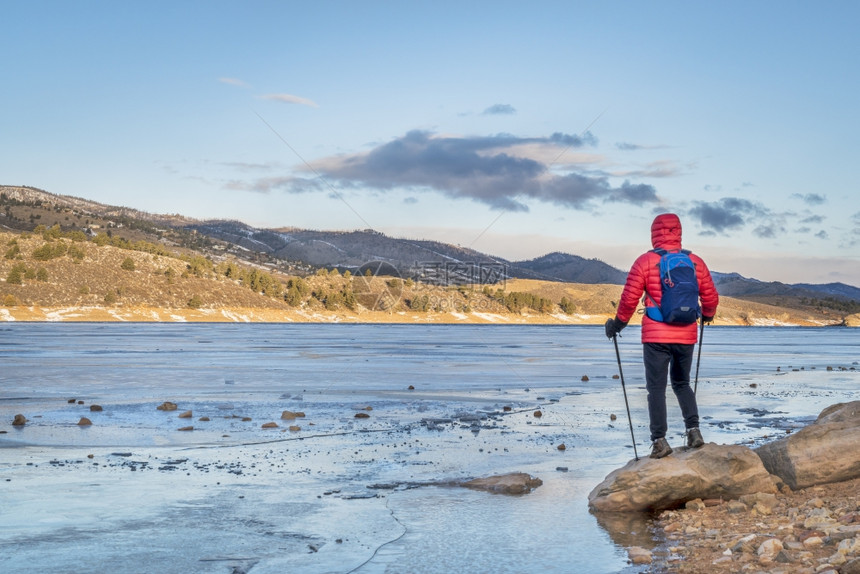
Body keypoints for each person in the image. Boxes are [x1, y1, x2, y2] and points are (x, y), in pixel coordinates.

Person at [604, 213, 719, 459]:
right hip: (686, 335)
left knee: (656, 388)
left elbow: (629, 298)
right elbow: (710, 296)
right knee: (682, 384)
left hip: (656, 336)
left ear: (654, 233)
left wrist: (617, 325)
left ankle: (659, 441)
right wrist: (707, 316)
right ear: (679, 232)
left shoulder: (645, 262)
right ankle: (694, 432)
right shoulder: (695, 262)